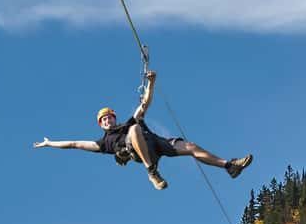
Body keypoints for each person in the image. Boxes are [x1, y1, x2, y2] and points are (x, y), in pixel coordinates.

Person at [33, 70, 252, 190]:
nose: (108, 120)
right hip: (139, 152)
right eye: (104, 119)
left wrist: (152, 82)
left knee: (191, 146)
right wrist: (49, 143)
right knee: (135, 129)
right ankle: (152, 172)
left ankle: (229, 166)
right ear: (101, 124)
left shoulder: (129, 121)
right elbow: (74, 144)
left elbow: (145, 103)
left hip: (155, 144)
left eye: (109, 117)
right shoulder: (103, 143)